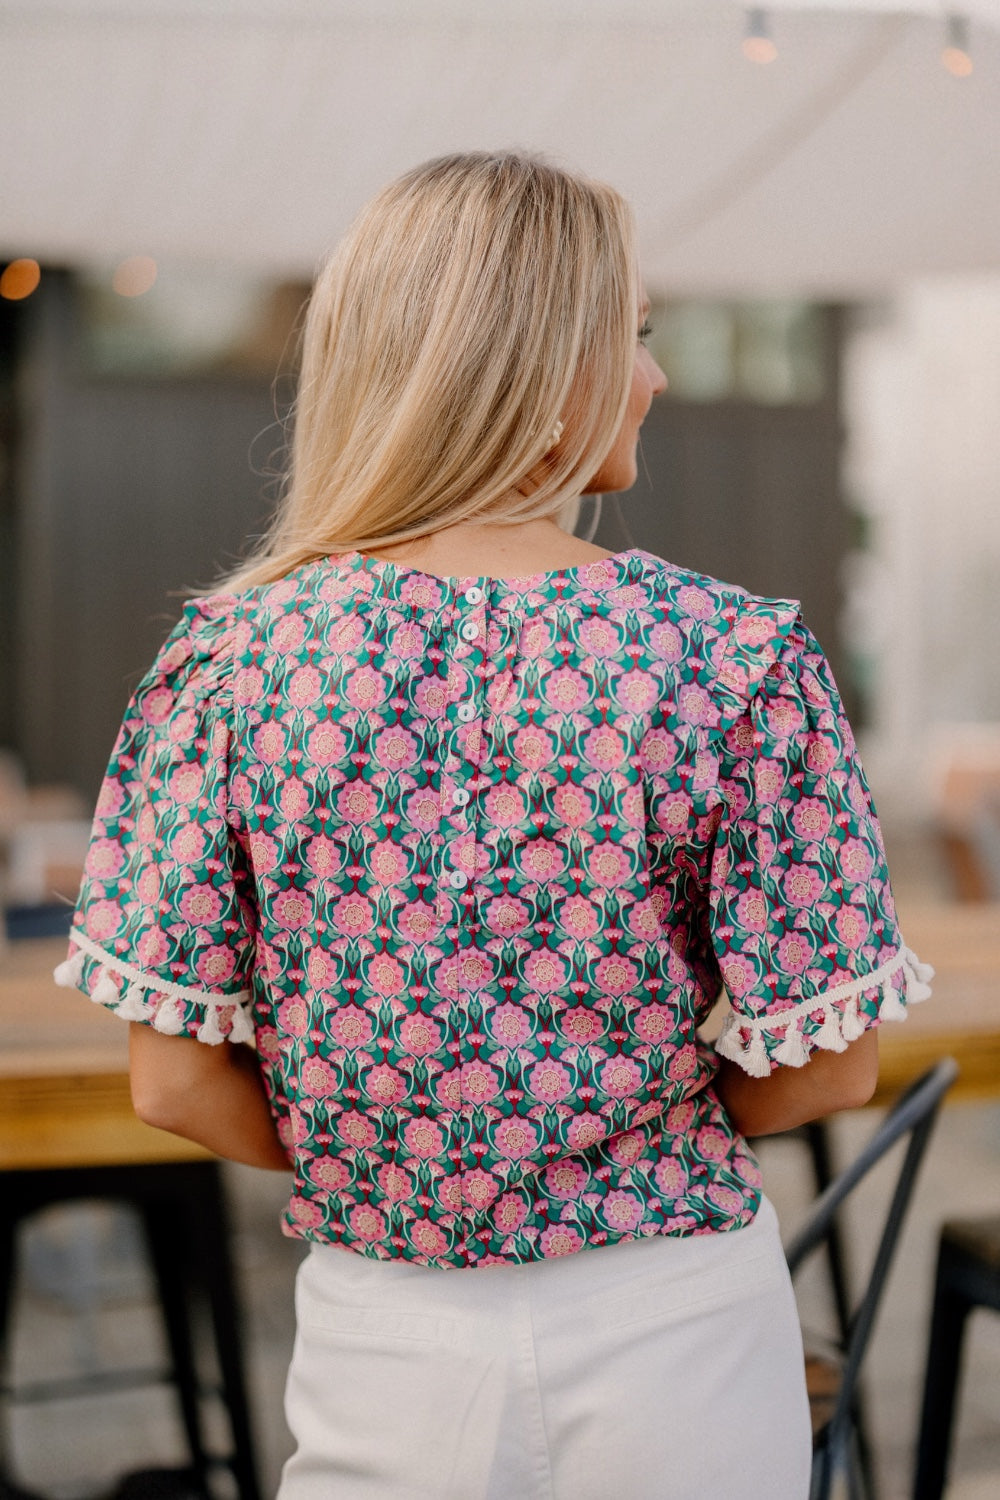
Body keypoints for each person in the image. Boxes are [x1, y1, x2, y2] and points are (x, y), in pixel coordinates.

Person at [56, 152, 933, 1499]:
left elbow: (172, 1082)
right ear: (539, 369)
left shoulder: (228, 662)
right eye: (631, 336)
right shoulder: (734, 656)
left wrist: (414, 1153)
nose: (655, 377)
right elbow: (828, 1070)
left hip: (387, 1337)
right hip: (678, 1324)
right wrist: (594, 1142)